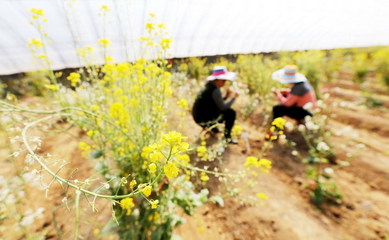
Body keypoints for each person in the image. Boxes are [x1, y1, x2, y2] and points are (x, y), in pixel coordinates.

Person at [192, 66, 239, 143]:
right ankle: (227, 138)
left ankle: (212, 129)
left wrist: (226, 97)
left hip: (198, 118)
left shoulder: (208, 86)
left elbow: (214, 104)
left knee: (219, 112)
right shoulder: (215, 90)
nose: (224, 82)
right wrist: (234, 98)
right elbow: (223, 107)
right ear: (217, 80)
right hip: (204, 119)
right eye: (223, 80)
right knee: (230, 113)